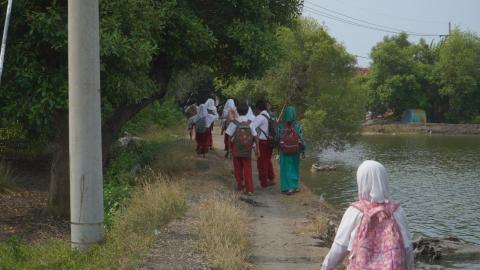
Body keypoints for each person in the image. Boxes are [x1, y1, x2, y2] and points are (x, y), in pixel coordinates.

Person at [321, 160, 414, 270]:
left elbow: (339, 247)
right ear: (384, 180)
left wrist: (325, 267)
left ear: (361, 181)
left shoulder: (355, 211)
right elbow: (407, 248)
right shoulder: (397, 211)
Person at [225, 102, 259, 195]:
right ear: (248, 111)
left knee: (238, 169)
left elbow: (228, 136)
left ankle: (240, 187)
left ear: (238, 112)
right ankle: (249, 189)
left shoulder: (235, 122)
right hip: (247, 150)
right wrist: (257, 149)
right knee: (248, 169)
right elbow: (256, 137)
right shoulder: (250, 123)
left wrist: (229, 149)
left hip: (236, 149)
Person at [275, 106, 305, 195]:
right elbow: (302, 138)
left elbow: (277, 138)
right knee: (294, 167)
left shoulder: (281, 125)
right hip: (295, 150)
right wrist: (303, 150)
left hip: (284, 150)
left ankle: (286, 188)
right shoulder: (297, 125)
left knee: (285, 168)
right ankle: (293, 187)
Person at [253, 100, 275, 188]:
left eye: (256, 109)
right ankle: (271, 178)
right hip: (269, 142)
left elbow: (251, 127)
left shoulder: (260, 117)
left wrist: (254, 145)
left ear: (258, 108)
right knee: (268, 161)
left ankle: (264, 182)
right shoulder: (269, 115)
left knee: (262, 163)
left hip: (262, 142)